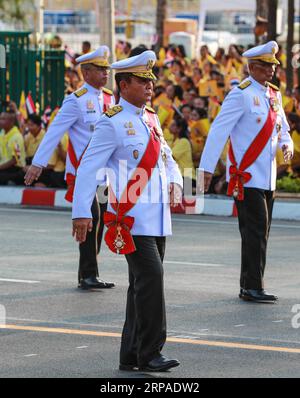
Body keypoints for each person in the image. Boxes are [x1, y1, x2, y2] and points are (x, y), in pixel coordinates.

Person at [72, 51, 183, 372]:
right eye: (142, 81)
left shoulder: (151, 117)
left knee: (141, 284)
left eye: (151, 80)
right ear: (124, 85)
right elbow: (87, 168)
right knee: (152, 278)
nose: (150, 86)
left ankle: (130, 354)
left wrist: (176, 180)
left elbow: (167, 158)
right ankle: (150, 352)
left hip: (157, 216)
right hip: (130, 217)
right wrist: (82, 212)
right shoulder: (112, 122)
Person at [199, 41, 294, 303]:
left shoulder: (274, 95)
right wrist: (206, 170)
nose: (271, 70)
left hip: (268, 176)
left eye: (273, 65)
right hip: (247, 175)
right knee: (255, 230)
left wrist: (287, 145)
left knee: (261, 231)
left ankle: (248, 283)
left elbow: (283, 129)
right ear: (251, 67)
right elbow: (219, 130)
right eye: (265, 65)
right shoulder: (240, 94)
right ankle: (253, 285)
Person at [24, 46, 115, 291]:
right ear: (86, 73)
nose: (105, 73)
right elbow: (55, 131)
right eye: (99, 70)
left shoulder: (110, 98)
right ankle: (87, 275)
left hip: (105, 173)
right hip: (82, 172)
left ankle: (90, 270)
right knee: (90, 219)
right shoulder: (75, 101)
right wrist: (38, 163)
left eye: (106, 69)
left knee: (101, 220)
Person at [0, 110, 26, 185]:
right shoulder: (2, 134)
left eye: (3, 119)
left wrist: (0, 167)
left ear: (11, 122)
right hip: (3, 167)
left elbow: (15, 160)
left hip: (15, 169)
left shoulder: (17, 136)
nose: (0, 121)